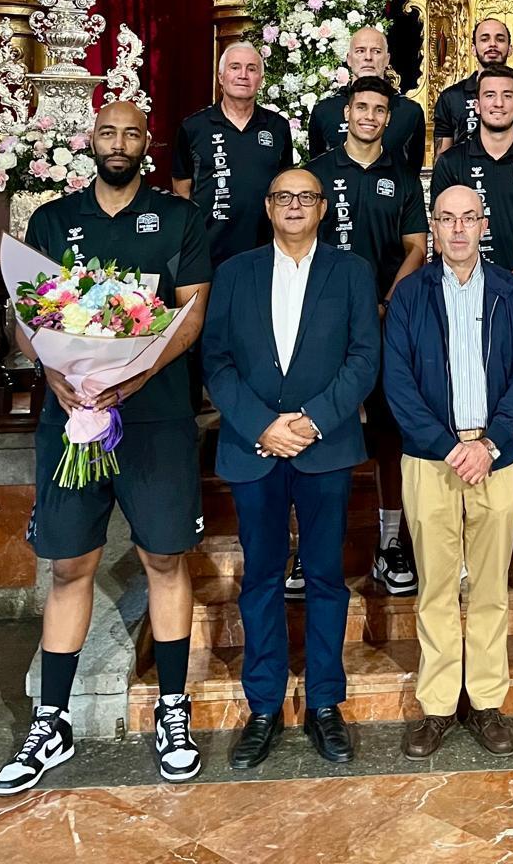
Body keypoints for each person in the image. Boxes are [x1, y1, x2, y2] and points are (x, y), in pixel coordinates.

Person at [0, 102, 211, 795]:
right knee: (69, 565)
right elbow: (26, 315)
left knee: (165, 559)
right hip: (71, 418)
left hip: (156, 418)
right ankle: (50, 721)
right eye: (108, 132)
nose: (119, 143)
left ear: (148, 144)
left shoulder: (177, 218)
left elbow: (191, 314)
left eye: (132, 133)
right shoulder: (55, 220)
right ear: (91, 141)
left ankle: (173, 710)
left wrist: (132, 377)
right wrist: (55, 373)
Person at [202, 167, 379, 770]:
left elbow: (364, 357)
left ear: (323, 208)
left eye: (307, 197)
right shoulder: (235, 273)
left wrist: (313, 421)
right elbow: (216, 361)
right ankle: (264, 707)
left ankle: (325, 703)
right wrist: (262, 425)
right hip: (255, 448)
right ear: (269, 206)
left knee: (326, 577)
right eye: (284, 196)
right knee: (260, 579)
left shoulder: (351, 271)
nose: (295, 205)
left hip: (325, 447)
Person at [384, 184, 513, 758]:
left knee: (491, 585)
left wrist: (491, 443)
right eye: (446, 218)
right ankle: (437, 705)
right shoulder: (410, 294)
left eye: (468, 218)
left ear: (483, 224)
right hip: (432, 459)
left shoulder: (511, 291)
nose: (457, 229)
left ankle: (487, 701)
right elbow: (397, 381)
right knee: (436, 585)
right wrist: (448, 447)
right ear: (433, 225)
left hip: (496, 456)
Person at [432, 63, 513, 589]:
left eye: (507, 96)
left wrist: (512, 280)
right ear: (477, 104)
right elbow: (442, 228)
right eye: (489, 96)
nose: (498, 103)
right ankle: (463, 548)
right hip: (459, 302)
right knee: (462, 410)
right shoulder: (453, 162)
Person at [307, 75, 427, 598]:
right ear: (346, 112)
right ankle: (310, 548)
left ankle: (390, 541)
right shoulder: (315, 173)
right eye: (362, 107)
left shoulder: (402, 176)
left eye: (379, 110)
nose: (370, 117)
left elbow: (417, 247)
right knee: (318, 425)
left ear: (388, 118)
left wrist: (385, 303)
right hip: (322, 323)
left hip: (383, 320)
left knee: (388, 432)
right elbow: (296, 240)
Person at [173, 42, 295, 269]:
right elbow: (181, 189)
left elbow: (286, 184)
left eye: (251, 69)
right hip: (209, 253)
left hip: (267, 251)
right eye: (235, 67)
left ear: (261, 79)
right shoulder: (194, 127)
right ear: (221, 77)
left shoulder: (278, 127)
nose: (243, 75)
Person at [308, 25, 426, 175]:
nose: (368, 57)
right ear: (349, 59)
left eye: (376, 51)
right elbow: (317, 169)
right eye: (360, 51)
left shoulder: (409, 111)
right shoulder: (325, 110)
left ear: (387, 59)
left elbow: (412, 171)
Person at [432, 16, 513, 153]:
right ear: (473, 49)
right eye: (485, 39)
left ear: (510, 49)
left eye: (500, 39)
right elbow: (442, 158)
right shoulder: (450, 98)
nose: (492, 44)